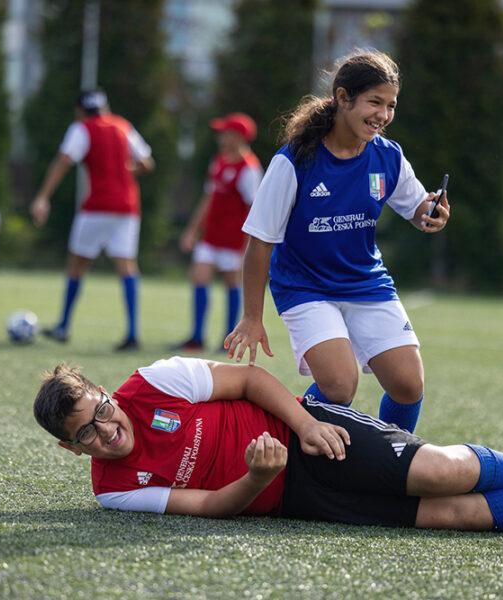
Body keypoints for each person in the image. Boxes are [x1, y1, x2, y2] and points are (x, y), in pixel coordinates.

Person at [32, 356, 503, 544]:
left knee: (438, 472)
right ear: (69, 449)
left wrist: (301, 427)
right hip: (293, 498)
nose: (106, 431)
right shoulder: (113, 492)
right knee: (449, 516)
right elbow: (212, 507)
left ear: (108, 393)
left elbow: (249, 380)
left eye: (101, 411)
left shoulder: (151, 383)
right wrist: (255, 479)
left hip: (308, 432)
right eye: (85, 434)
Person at [224, 50, 450, 434]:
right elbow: (259, 242)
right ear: (343, 98)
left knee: (408, 385)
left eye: (391, 105)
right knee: (340, 386)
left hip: (365, 281)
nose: (383, 114)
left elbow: (418, 209)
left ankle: (393, 464)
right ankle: (286, 445)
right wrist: (251, 317)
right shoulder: (294, 161)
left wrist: (433, 213)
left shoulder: (388, 156)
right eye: (374, 102)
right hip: (305, 287)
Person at [30, 90, 154, 351]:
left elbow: (64, 160)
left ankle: (63, 326)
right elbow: (146, 163)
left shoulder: (82, 128)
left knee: (77, 264)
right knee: (127, 267)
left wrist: (43, 197)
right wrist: (125, 170)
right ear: (105, 107)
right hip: (128, 207)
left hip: (97, 206)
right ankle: (133, 333)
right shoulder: (123, 126)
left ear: (80, 110)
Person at [175, 113, 263, 351]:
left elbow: (255, 210)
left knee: (231, 284)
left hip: (233, 240)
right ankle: (196, 337)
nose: (221, 137)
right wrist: (192, 231)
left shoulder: (249, 168)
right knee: (199, 277)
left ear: (238, 137)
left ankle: (227, 338)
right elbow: (208, 199)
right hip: (211, 237)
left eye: (226, 133)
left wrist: (250, 247)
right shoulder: (219, 161)